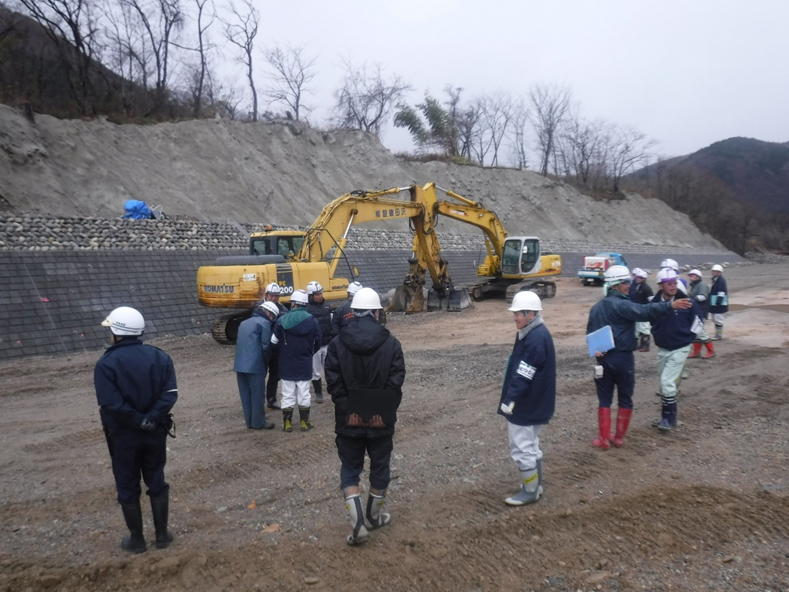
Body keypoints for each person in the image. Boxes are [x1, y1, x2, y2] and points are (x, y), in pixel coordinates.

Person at [325, 287, 405, 546]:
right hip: (381, 422)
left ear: (353, 313)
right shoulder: (392, 343)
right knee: (380, 467)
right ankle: (373, 515)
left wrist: (352, 411)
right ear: (376, 312)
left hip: (348, 421)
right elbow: (395, 383)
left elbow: (334, 384)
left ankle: (358, 525)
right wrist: (380, 413)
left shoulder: (337, 344)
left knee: (350, 470)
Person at [94, 307, 178, 554]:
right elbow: (170, 394)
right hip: (155, 431)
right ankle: (162, 536)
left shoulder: (106, 364)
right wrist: (150, 419)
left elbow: (111, 403)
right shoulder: (159, 357)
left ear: (118, 332)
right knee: (156, 479)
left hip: (123, 435)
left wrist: (137, 420)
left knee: (127, 483)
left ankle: (137, 540)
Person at [587, 265, 692, 450]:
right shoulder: (624, 305)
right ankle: (618, 438)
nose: (629, 286)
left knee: (604, 399)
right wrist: (670, 305)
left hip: (603, 360)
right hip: (624, 359)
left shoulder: (596, 308)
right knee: (625, 398)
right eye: (625, 283)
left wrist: (595, 349)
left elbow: (590, 332)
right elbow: (645, 312)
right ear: (615, 285)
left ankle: (603, 439)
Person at [498, 291, 555, 506]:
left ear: (530, 314)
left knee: (521, 447)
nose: (514, 317)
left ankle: (530, 490)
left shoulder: (534, 338)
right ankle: (535, 485)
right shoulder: (535, 333)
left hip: (527, 404)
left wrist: (511, 398)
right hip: (536, 402)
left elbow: (524, 372)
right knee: (531, 444)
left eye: (518, 314)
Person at [650, 268, 705, 431]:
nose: (673, 286)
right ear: (661, 286)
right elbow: (650, 319)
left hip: (680, 348)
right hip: (663, 349)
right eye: (669, 284)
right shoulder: (654, 304)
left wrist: (688, 337)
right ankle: (670, 419)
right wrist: (655, 332)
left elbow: (699, 321)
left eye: (675, 283)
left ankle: (667, 419)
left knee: (667, 381)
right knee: (664, 383)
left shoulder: (687, 302)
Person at [271, 289, 321, 432]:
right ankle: (304, 422)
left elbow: (273, 342)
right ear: (305, 304)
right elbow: (318, 341)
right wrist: (310, 353)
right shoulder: (312, 320)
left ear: (293, 303)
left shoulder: (281, 320)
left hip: (286, 362)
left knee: (287, 393)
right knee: (304, 393)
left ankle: (287, 423)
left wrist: (282, 353)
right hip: (304, 362)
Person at [234, 301, 279, 430]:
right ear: (268, 312)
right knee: (257, 395)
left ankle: (249, 421)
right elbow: (266, 346)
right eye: (272, 317)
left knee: (246, 394)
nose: (271, 320)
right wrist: (266, 363)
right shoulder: (263, 323)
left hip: (240, 364)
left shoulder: (244, 323)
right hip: (255, 365)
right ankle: (258, 422)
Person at [262, 283, 289, 411]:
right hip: (263, 347)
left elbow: (287, 317)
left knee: (274, 375)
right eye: (272, 296)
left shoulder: (281, 308)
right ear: (266, 295)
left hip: (276, 348)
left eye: (276, 296)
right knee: (260, 375)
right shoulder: (259, 307)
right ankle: (258, 401)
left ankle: (271, 400)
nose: (274, 298)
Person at [306, 281, 334, 403]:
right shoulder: (307, 309)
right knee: (315, 371)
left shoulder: (326, 306)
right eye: (317, 294)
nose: (320, 296)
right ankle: (318, 394)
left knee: (330, 368)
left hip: (327, 342)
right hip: (315, 346)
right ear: (311, 295)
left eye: (320, 293)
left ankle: (333, 390)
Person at [687, 269, 714, 359]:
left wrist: (691, 298)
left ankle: (711, 351)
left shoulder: (702, 285)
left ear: (698, 277)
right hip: (696, 312)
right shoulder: (695, 285)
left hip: (701, 312)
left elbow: (703, 297)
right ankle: (696, 352)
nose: (691, 277)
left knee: (701, 332)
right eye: (690, 275)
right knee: (696, 332)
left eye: (693, 275)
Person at [628, 268, 654, 352]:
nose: (637, 279)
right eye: (637, 277)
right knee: (638, 328)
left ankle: (646, 346)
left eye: (639, 278)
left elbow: (651, 300)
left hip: (644, 311)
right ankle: (641, 345)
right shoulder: (638, 286)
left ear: (643, 279)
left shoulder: (646, 288)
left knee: (644, 328)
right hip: (638, 310)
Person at [709, 264, 729, 340]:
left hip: (719, 304)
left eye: (716, 271)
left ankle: (719, 335)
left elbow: (721, 292)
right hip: (716, 303)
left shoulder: (721, 281)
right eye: (713, 271)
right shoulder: (716, 280)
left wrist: (718, 301)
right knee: (715, 319)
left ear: (719, 272)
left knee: (718, 319)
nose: (714, 272)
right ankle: (718, 334)